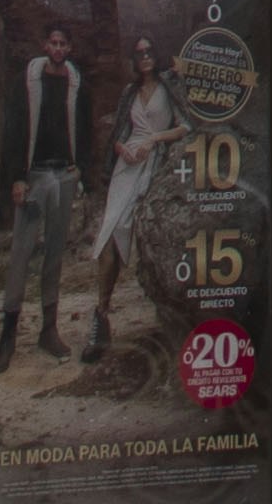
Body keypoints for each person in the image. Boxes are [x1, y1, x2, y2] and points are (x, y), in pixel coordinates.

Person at [0, 17, 90, 370]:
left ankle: (48, 330)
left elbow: (85, 127)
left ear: (70, 48)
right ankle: (8, 336)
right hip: (34, 176)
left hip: (63, 173)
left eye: (64, 44)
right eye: (53, 43)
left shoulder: (76, 82)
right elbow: (15, 128)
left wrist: (82, 170)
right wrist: (16, 178)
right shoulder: (29, 80)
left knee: (54, 253)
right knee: (21, 252)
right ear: (45, 45)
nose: (59, 49)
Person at [84, 41, 180, 342]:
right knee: (109, 231)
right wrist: (121, 148)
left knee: (129, 229)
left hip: (155, 162)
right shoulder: (129, 92)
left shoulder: (170, 87)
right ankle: (101, 315)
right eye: (140, 53)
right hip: (125, 168)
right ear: (134, 60)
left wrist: (154, 140)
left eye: (150, 51)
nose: (146, 57)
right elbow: (119, 134)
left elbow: (186, 125)